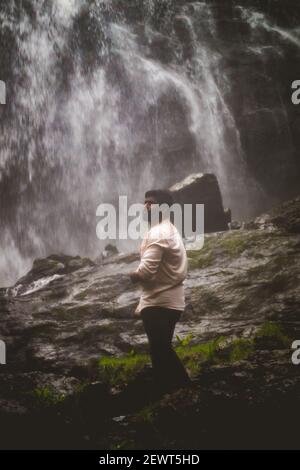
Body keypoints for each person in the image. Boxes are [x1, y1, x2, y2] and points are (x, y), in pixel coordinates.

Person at [129, 189, 192, 395]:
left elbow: (147, 271)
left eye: (151, 203)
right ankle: (172, 392)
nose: (146, 206)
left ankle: (182, 391)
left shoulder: (158, 233)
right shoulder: (169, 229)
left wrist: (133, 276)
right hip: (171, 302)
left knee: (160, 350)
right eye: (145, 202)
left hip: (159, 304)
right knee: (161, 348)